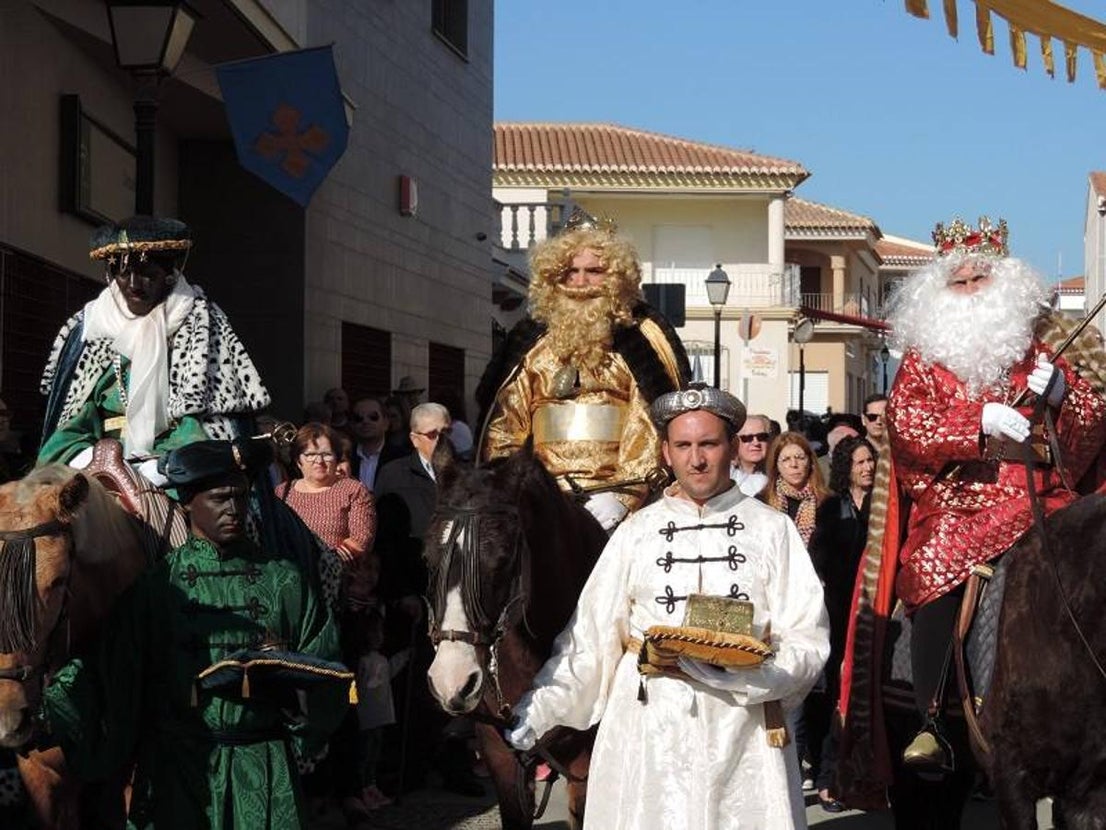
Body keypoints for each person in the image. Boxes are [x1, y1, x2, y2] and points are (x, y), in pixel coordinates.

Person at [837, 216, 1106, 796]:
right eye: (957, 284)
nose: (969, 292)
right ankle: (932, 717)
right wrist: (975, 422)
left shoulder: (1039, 354)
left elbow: (1088, 437)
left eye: (979, 280)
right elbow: (908, 430)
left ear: (1004, 283)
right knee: (934, 568)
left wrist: (1064, 398)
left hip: (1041, 495)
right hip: (957, 501)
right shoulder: (923, 363)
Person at [505, 385, 828, 830]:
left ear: (732, 447)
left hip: (744, 729)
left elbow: (807, 635)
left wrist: (752, 675)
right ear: (665, 451)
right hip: (648, 727)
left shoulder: (773, 531)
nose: (696, 460)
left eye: (709, 444)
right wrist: (540, 708)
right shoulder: (636, 532)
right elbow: (590, 639)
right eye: (684, 446)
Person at [40, 438, 348, 829]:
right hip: (177, 771)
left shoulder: (285, 580)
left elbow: (326, 666)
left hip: (264, 766)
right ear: (188, 501)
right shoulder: (157, 587)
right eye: (219, 499)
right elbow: (110, 672)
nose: (233, 509)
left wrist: (291, 685)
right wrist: (50, 696)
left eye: (240, 497)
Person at [477, 210, 689, 531]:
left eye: (594, 271)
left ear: (617, 276)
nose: (580, 282)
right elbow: (505, 423)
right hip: (539, 502)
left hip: (622, 505)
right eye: (570, 272)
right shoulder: (529, 341)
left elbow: (648, 421)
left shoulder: (641, 336)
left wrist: (622, 495)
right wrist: (515, 487)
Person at [38, 217, 270, 479]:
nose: (135, 285)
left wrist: (162, 467)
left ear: (169, 276)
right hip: (97, 460)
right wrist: (91, 459)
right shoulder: (89, 326)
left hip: (174, 461)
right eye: (124, 274)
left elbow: (201, 423)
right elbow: (76, 416)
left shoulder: (201, 323)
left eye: (148, 274)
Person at [807, 435, 876, 812]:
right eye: (860, 462)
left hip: (875, 610)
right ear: (846, 467)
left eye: (871, 461)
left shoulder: (885, 506)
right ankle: (828, 776)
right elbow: (821, 558)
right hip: (840, 611)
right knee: (838, 694)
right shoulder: (833, 508)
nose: (867, 468)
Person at [760, 432, 829, 548]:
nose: (794, 464)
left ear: (810, 462)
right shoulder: (762, 503)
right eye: (786, 459)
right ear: (776, 465)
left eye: (800, 458)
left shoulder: (829, 503)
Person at [731, 413, 771, 496]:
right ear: (735, 442)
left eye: (762, 437)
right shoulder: (724, 477)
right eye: (747, 438)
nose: (756, 443)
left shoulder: (779, 476)